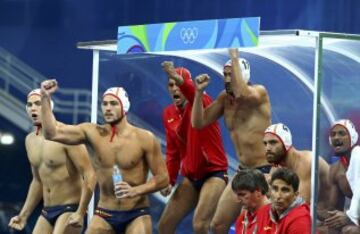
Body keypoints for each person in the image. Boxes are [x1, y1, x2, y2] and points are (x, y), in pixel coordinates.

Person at [39, 80, 169, 234]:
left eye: (113, 103)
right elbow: (51, 133)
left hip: (136, 212)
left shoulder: (144, 138)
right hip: (105, 211)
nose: (107, 108)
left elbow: (163, 178)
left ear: (124, 107)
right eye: (104, 104)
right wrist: (45, 98)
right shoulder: (92, 133)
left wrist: (136, 190)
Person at [192, 48, 272, 233]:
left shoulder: (259, 93)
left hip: (266, 170)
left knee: (259, 226)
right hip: (243, 171)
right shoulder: (224, 99)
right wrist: (198, 94)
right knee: (218, 225)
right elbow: (199, 122)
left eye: (231, 75)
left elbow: (243, 94)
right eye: (225, 75)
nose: (227, 79)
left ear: (242, 75)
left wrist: (234, 57)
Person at [8, 89, 96, 234]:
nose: (33, 108)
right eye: (30, 105)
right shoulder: (30, 140)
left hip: (70, 209)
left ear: (49, 107)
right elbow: (37, 181)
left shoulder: (68, 135)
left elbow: (90, 174)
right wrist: (23, 216)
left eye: (38, 103)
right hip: (47, 210)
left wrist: (81, 211)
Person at [158, 62, 228, 234]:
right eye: (171, 85)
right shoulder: (168, 113)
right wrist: (170, 180)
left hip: (214, 173)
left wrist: (179, 79)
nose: (175, 89)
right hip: (191, 177)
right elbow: (173, 152)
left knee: (200, 225)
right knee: (164, 226)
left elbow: (191, 92)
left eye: (178, 84)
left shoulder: (202, 101)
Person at [263, 123, 330, 216]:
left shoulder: (307, 161)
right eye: (265, 143)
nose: (267, 148)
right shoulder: (276, 168)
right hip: (309, 218)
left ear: (286, 143)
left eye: (273, 142)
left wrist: (267, 194)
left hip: (326, 221)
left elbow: (301, 207)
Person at [323, 119, 360, 233]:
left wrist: (350, 216)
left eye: (341, 133)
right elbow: (333, 213)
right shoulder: (335, 170)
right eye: (333, 135)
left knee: (350, 231)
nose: (336, 138)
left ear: (352, 137)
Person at [256, 167, 311, 234]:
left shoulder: (301, 220)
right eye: (275, 189)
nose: (278, 196)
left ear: (296, 194)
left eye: (285, 190)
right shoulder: (263, 212)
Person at [231, 169, 269, 234]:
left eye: (242, 194)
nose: (237, 200)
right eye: (237, 194)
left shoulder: (274, 219)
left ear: (258, 192)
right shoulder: (242, 218)